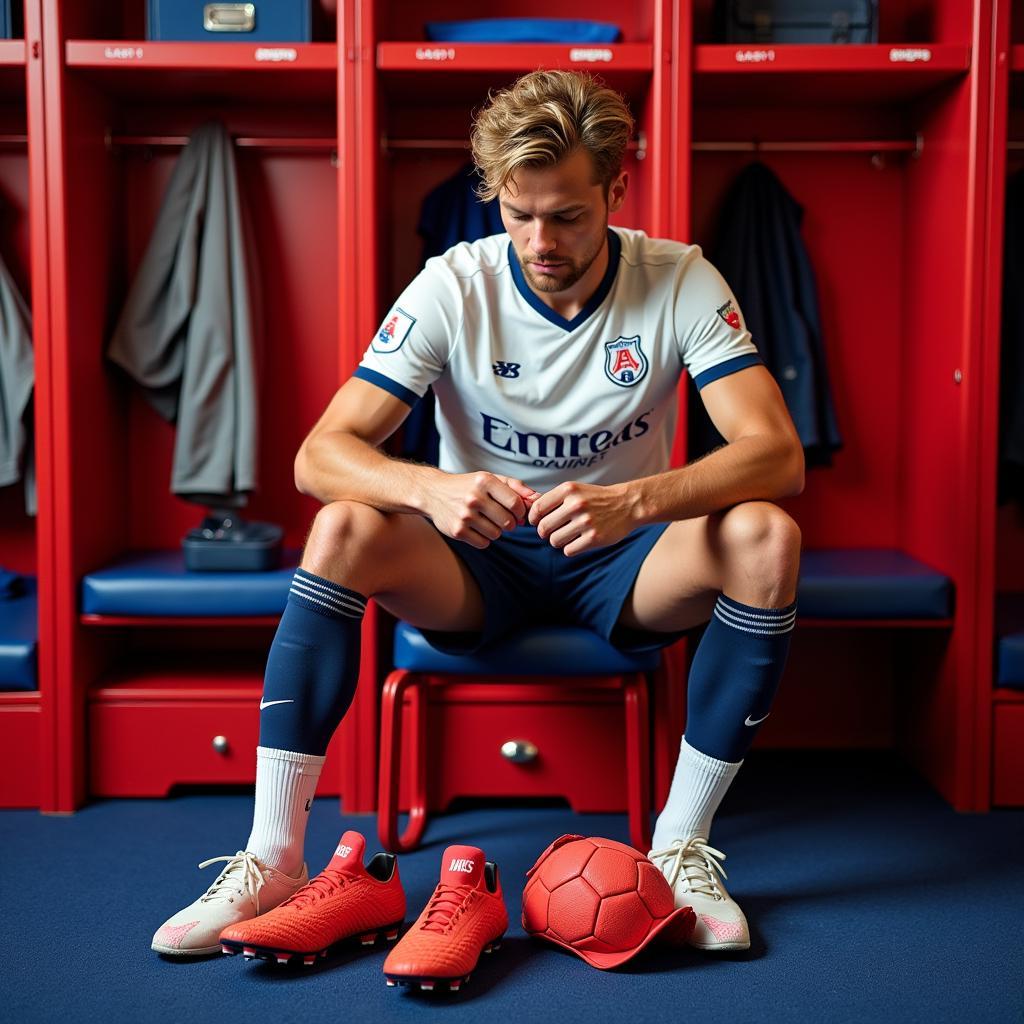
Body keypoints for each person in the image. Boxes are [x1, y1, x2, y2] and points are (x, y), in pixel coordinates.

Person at [153, 69, 803, 957]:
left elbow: (776, 453)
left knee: (768, 532)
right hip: (477, 560)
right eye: (517, 212)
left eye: (569, 214)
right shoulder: (453, 284)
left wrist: (636, 500)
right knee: (342, 523)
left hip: (623, 560)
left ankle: (679, 849)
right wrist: (429, 487)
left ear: (616, 189)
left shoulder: (679, 277)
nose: (540, 239)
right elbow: (319, 456)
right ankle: (274, 859)